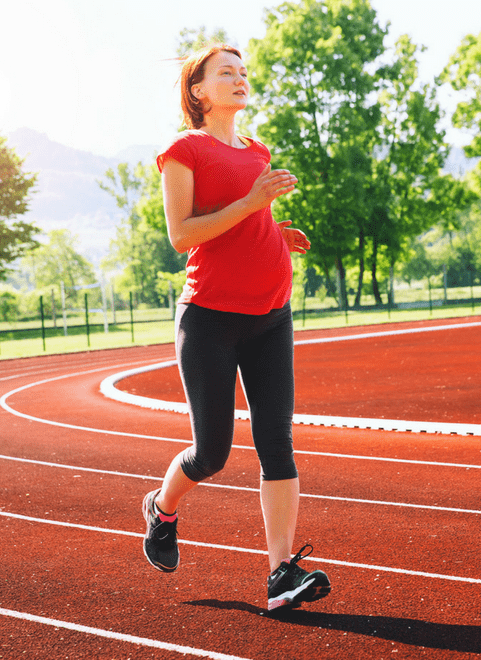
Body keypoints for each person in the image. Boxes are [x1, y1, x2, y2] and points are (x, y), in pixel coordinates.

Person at [142, 43, 330, 613]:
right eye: (226, 72)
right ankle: (162, 507)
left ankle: (279, 574)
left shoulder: (258, 150)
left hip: (272, 312)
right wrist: (252, 204)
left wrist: (277, 235)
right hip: (211, 320)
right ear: (198, 90)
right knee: (213, 453)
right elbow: (183, 236)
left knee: (278, 442)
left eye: (243, 71)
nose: (239, 78)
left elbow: (252, 223)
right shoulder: (183, 150)